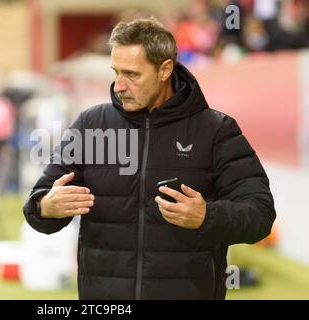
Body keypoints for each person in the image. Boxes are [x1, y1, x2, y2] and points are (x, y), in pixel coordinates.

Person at [23, 18, 277, 300]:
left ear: (165, 69)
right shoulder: (90, 125)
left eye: (132, 74)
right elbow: (37, 204)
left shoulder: (216, 131)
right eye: (116, 72)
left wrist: (207, 216)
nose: (119, 85)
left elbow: (260, 215)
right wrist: (46, 206)